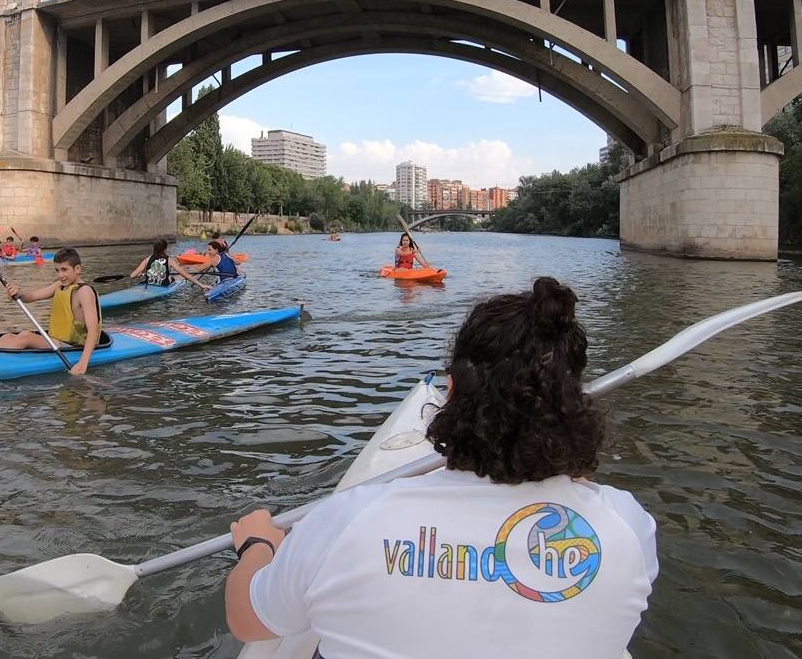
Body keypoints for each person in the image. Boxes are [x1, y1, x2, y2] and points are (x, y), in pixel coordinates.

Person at [224, 277, 658, 657]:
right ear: (572, 405)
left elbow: (248, 621)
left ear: (451, 390)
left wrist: (257, 546)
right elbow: (579, 482)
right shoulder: (628, 525)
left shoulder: (345, 520)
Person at [0, 247, 102, 375]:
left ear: (77, 269)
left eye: (64, 270)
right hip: (58, 340)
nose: (60, 275)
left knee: (26, 337)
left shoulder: (84, 292)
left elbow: (93, 330)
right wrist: (18, 293)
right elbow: (31, 297)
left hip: (75, 346)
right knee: (10, 336)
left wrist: (83, 363)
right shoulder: (59, 285)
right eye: (57, 270)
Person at [129, 238, 211, 290]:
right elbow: (186, 275)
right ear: (165, 249)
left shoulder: (147, 259)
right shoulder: (169, 260)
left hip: (149, 286)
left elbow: (132, 275)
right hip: (163, 287)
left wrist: (138, 274)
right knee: (171, 277)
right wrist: (201, 285)